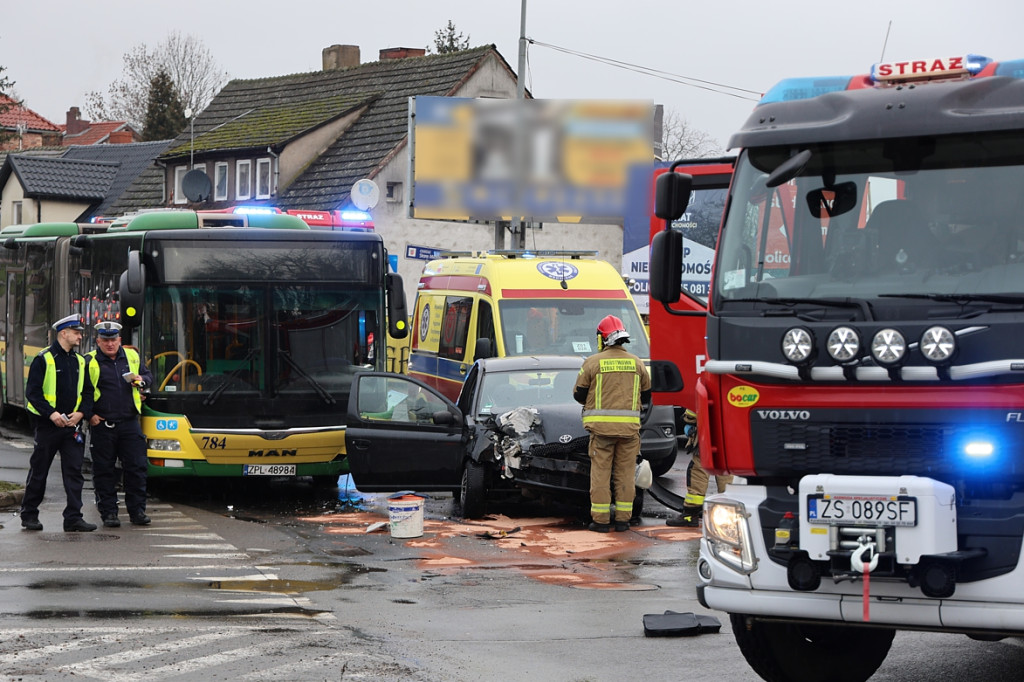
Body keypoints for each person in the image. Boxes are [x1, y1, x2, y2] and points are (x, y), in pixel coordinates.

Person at [573, 315, 651, 533]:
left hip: (601, 432)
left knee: (601, 474)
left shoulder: (592, 363)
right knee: (625, 474)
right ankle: (623, 520)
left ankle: (601, 521)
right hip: (629, 432)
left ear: (602, 338)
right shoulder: (637, 363)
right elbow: (646, 396)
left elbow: (579, 394)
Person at [20, 314, 96, 532]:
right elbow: (33, 393)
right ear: (64, 333)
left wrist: (81, 413)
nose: (80, 336)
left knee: (74, 473)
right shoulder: (43, 359)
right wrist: (51, 414)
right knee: (39, 471)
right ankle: (29, 515)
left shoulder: (79, 361)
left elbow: (88, 392)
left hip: (72, 426)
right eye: (76, 332)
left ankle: (73, 517)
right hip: (47, 427)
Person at [86, 321, 153, 527]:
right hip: (103, 425)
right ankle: (109, 513)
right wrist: (90, 415)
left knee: (136, 468)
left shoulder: (131, 356)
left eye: (113, 340)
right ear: (98, 341)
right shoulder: (89, 361)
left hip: (129, 423)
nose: (110, 344)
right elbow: (81, 390)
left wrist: (142, 380)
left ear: (119, 340)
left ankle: (137, 511)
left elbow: (149, 376)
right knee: (104, 471)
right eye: (105, 340)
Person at [667, 409, 734, 527]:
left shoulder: (705, 389)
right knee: (725, 470)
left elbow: (694, 408)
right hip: (729, 431)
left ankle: (690, 514)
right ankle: (729, 513)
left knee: (698, 470)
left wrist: (687, 419)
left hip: (708, 432)